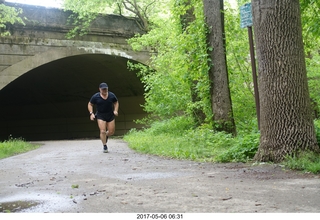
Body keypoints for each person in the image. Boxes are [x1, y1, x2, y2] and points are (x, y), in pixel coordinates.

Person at [88, 82, 119, 153]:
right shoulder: (95, 97)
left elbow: (116, 102)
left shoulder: (111, 95)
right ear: (99, 89)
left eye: (106, 89)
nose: (104, 91)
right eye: (103, 89)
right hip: (100, 115)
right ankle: (104, 145)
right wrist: (91, 113)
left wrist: (116, 110)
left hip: (110, 114)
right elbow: (90, 104)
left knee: (111, 132)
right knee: (102, 131)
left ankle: (106, 136)